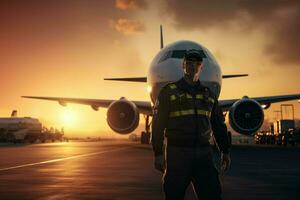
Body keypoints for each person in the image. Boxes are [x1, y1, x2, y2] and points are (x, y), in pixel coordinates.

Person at [151, 49, 231, 200]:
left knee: (212, 195)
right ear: (183, 66)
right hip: (177, 154)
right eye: (189, 63)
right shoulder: (169, 92)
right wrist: (158, 153)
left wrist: (225, 150)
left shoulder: (209, 95)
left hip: (203, 154)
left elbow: (218, 125)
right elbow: (158, 124)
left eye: (196, 63)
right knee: (174, 195)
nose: (192, 66)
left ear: (201, 67)